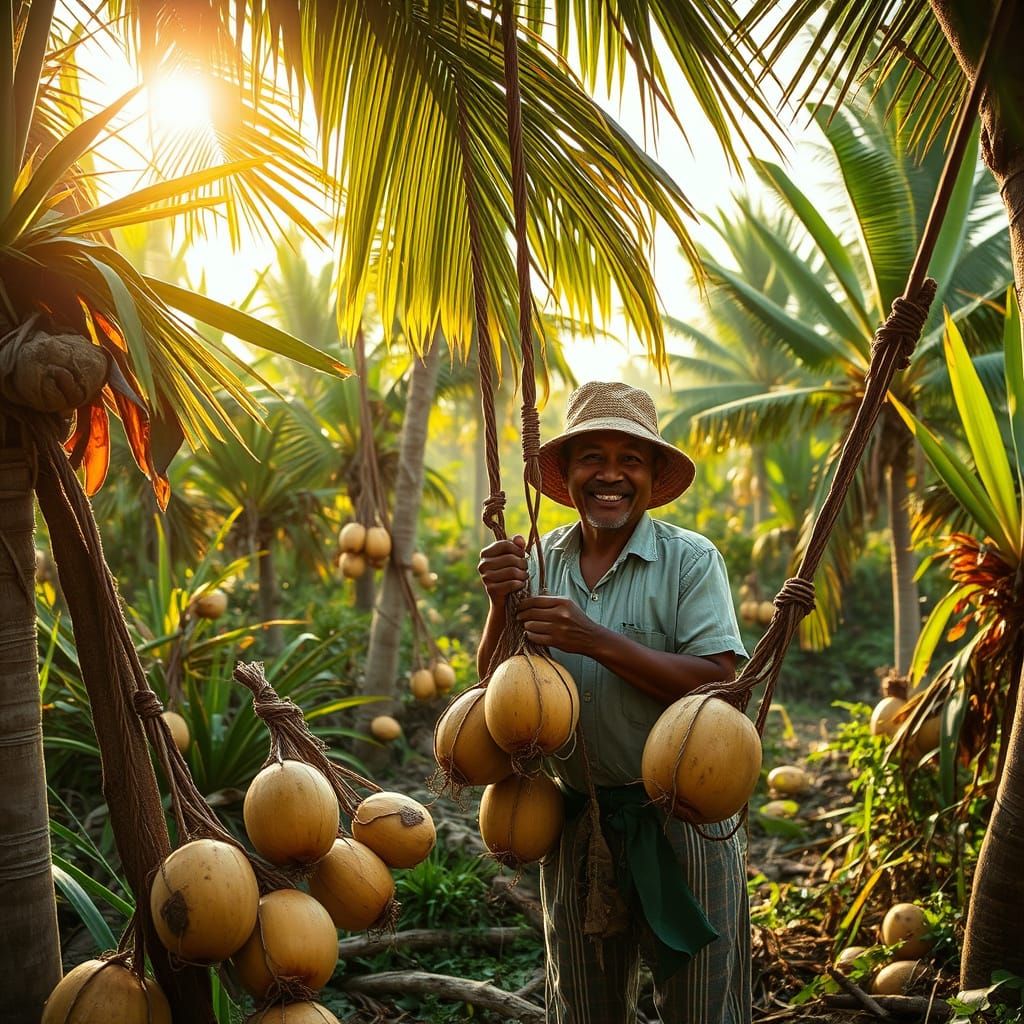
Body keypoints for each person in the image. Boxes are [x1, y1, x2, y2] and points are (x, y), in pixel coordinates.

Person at [477, 381, 751, 1024]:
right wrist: (499, 606)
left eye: (630, 459)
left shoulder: (689, 561)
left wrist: (594, 640)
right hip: (574, 821)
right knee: (583, 1007)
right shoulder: (537, 563)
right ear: (566, 475)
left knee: (702, 1007)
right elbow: (495, 694)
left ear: (653, 475)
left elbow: (722, 687)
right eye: (591, 457)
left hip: (683, 821)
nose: (610, 474)